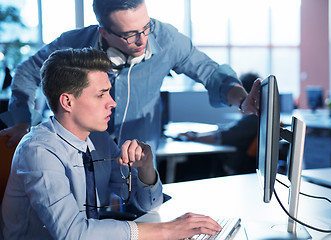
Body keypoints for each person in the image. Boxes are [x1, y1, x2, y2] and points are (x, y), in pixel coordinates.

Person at [1, 48, 222, 239]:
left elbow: (146, 204)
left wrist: (146, 169)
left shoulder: (98, 139)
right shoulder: (39, 151)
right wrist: (166, 231)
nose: (113, 103)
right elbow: (74, 234)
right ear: (67, 101)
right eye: (101, 95)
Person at [0, 0, 260, 155]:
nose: (142, 39)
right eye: (130, 34)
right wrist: (24, 121)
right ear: (105, 32)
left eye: (146, 27)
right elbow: (27, 71)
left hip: (140, 163)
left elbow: (211, 73)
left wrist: (241, 100)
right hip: (78, 159)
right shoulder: (74, 43)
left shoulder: (167, 40)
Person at [178, 73, 260, 175]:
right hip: (236, 164)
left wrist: (194, 137)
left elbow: (221, 136)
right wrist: (196, 134)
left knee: (191, 162)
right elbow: (225, 130)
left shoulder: (254, 119)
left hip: (230, 168)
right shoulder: (253, 118)